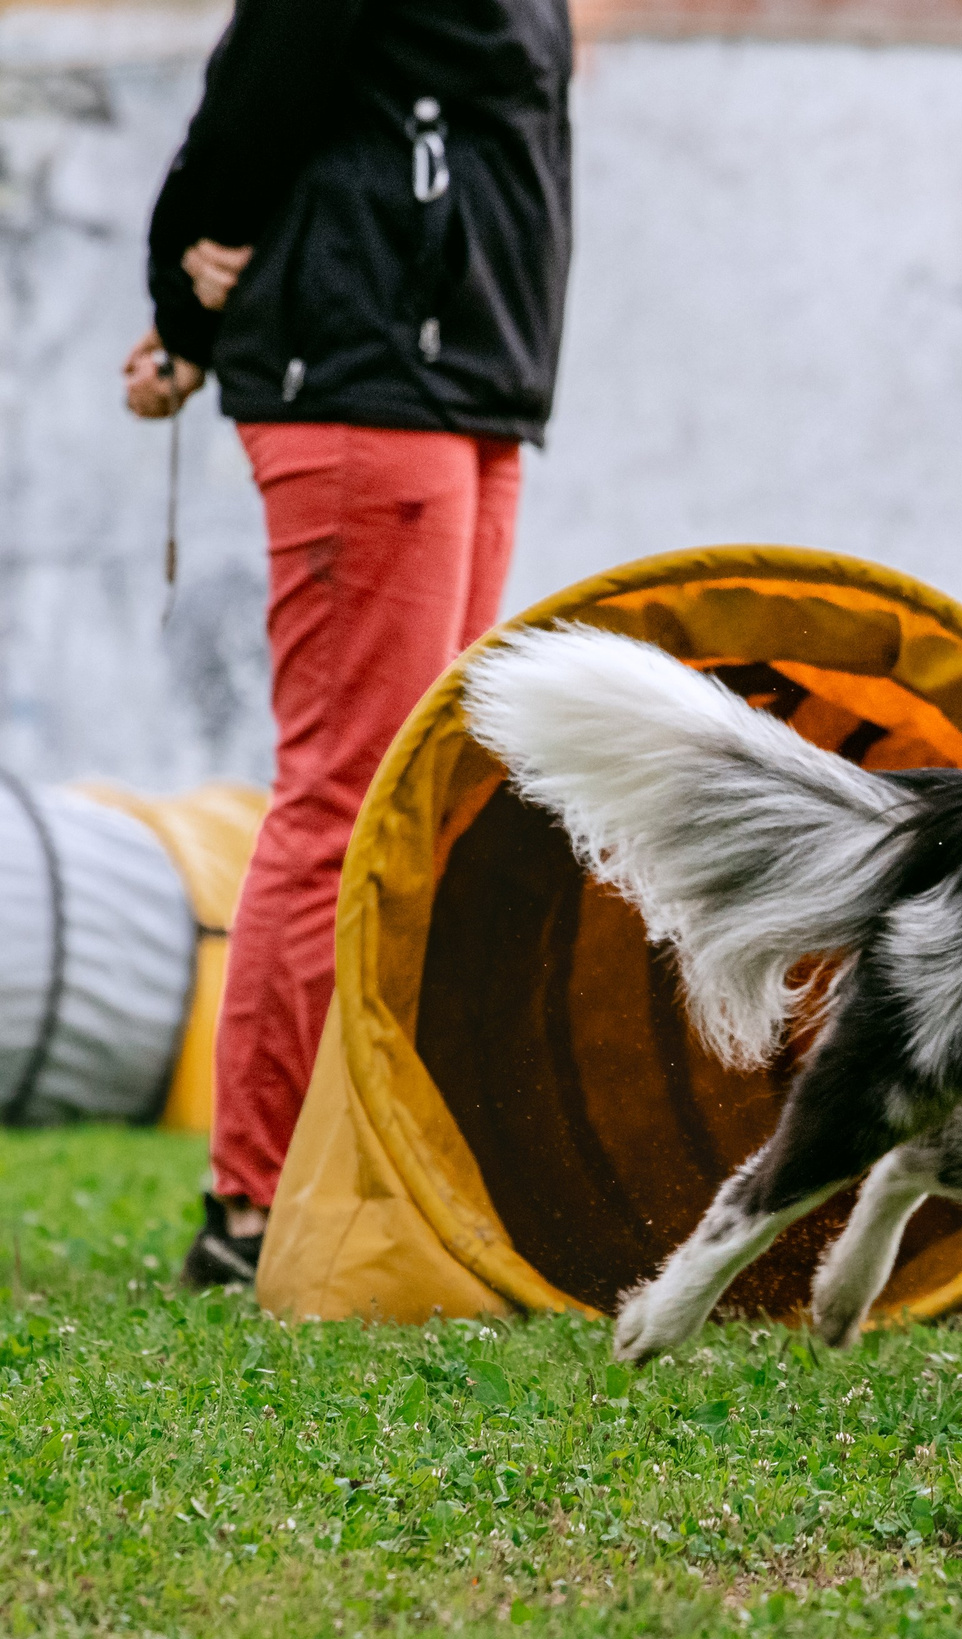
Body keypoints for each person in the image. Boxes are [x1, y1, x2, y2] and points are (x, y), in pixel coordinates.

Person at [123, 0, 574, 1287]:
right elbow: (258, 92)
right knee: (346, 797)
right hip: (367, 376)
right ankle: (254, 1201)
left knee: (422, 799)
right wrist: (186, 295)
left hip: (472, 384)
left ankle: (374, 1166)